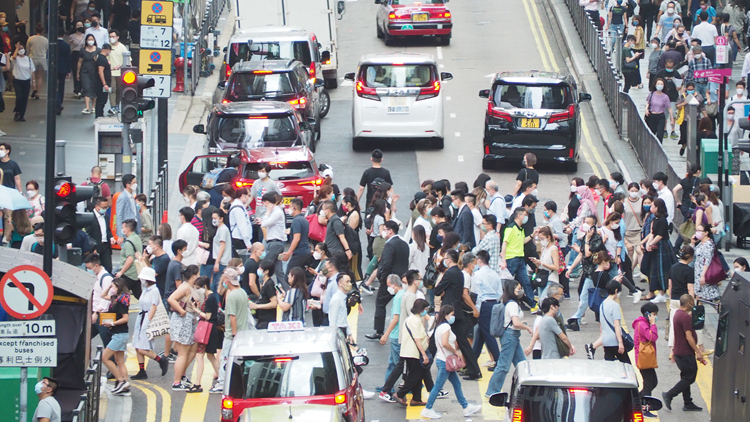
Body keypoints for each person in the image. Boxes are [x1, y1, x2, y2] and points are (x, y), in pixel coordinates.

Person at [421, 304, 483, 419]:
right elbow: (445, 343)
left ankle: (466, 407)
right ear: (446, 315)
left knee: (456, 384)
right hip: (446, 361)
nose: (453, 317)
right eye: (451, 315)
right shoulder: (446, 327)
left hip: (444, 360)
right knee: (438, 386)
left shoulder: (439, 326)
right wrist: (456, 351)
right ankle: (428, 409)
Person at [486, 280, 533, 397]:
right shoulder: (513, 304)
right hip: (510, 336)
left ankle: (527, 390)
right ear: (512, 290)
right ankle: (492, 391)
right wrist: (527, 328)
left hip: (512, 336)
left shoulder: (510, 303)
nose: (521, 291)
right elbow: (515, 323)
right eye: (518, 289)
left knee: (522, 364)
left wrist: (521, 324)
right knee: (503, 366)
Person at [662, 294, 706, 412]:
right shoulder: (685, 317)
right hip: (686, 353)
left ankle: (688, 402)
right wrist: (698, 352)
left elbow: (677, 334)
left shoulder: (677, 314)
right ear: (689, 304)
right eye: (692, 302)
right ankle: (670, 394)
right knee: (690, 377)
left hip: (679, 351)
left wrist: (673, 351)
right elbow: (688, 337)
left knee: (685, 376)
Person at [366, 220, 409, 339]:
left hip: (390, 280)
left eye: (385, 229)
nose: (383, 232)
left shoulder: (390, 245)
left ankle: (379, 331)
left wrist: (383, 278)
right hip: (402, 278)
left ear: (390, 231)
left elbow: (386, 264)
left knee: (380, 303)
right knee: (402, 305)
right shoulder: (404, 243)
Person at [130, 267, 169, 380]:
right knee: (137, 346)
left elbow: (153, 306)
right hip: (141, 317)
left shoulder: (154, 290)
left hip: (146, 318)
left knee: (143, 348)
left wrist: (148, 321)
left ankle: (160, 360)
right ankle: (142, 371)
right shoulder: (145, 289)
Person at [168, 266, 202, 390]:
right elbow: (171, 299)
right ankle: (176, 382)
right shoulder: (185, 287)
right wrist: (181, 311)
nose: (199, 276)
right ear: (193, 276)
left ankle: (181, 374)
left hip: (190, 320)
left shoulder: (191, 287)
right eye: (198, 274)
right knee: (182, 353)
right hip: (183, 320)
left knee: (193, 349)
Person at [392, 299, 431, 406]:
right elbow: (417, 339)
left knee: (417, 375)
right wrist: (424, 354)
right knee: (415, 376)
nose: (426, 311)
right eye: (425, 309)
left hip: (411, 351)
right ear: (421, 309)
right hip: (413, 352)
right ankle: (400, 394)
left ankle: (416, 398)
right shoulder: (415, 320)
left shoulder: (412, 319)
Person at [216, 267, 249, 392]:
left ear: (227, 280)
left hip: (232, 335)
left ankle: (222, 383)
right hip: (243, 332)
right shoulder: (242, 292)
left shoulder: (231, 296)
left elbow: (232, 317)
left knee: (225, 358)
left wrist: (233, 334)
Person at [470, 249, 502, 366]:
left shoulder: (477, 275)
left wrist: (476, 310)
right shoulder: (495, 274)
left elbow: (478, 295)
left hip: (484, 305)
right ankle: (472, 362)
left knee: (487, 334)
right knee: (481, 333)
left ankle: (498, 360)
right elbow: (500, 292)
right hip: (494, 303)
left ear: (479, 260)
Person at [500, 208, 536, 309]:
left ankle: (532, 303)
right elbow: (504, 244)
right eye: (525, 215)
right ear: (519, 216)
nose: (526, 217)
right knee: (508, 283)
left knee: (526, 282)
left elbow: (522, 241)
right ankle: (505, 302)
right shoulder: (511, 228)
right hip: (511, 259)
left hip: (520, 258)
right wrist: (503, 260)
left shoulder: (520, 229)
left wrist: (532, 236)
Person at [194, 274, 223, 393]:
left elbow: (208, 316)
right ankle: (222, 378)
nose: (197, 290)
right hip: (210, 329)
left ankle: (198, 383)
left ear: (204, 287)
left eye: (198, 288)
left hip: (208, 329)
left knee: (203, 355)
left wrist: (196, 310)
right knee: (210, 355)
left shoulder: (210, 298)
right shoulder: (209, 297)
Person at [102, 278, 131, 395]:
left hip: (120, 334)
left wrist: (112, 323)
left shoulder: (122, 301)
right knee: (119, 361)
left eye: (113, 286)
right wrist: (109, 287)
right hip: (118, 334)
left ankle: (121, 381)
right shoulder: (115, 298)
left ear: (118, 287)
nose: (112, 289)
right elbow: (102, 295)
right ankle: (125, 386)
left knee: (105, 358)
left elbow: (125, 318)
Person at [644, 198, 677, 303]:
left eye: (653, 206)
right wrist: (648, 243)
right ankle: (660, 292)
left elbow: (660, 235)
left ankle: (662, 293)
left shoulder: (662, 220)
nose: (651, 207)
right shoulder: (655, 219)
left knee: (662, 269)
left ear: (658, 208)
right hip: (656, 246)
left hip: (663, 246)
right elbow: (652, 233)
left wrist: (651, 243)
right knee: (654, 269)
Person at [634, 302, 660, 416]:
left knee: (653, 382)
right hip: (644, 358)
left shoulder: (643, 323)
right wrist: (653, 324)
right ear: (647, 314)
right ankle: (644, 408)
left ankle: (636, 400)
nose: (655, 317)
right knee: (649, 384)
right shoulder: (642, 325)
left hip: (646, 358)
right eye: (653, 314)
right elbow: (653, 337)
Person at [258, 192, 288, 287]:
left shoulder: (277, 212)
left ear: (267, 202)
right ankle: (286, 289)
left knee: (264, 267)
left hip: (275, 243)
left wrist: (267, 213)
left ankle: (261, 288)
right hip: (275, 243)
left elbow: (265, 224)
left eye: (264, 203)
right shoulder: (275, 211)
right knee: (279, 271)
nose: (264, 205)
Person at [85, 253, 114, 348]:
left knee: (108, 343)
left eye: (89, 268)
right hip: (94, 314)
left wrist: (97, 313)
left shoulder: (106, 278)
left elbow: (106, 299)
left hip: (104, 315)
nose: (88, 270)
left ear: (96, 266)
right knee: (83, 340)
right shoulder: (95, 277)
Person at [379, 274, 404, 385]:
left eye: (389, 286)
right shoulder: (403, 294)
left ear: (395, 285)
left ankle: (388, 387)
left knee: (397, 364)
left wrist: (386, 335)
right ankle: (387, 385)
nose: (388, 288)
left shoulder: (398, 297)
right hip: (399, 334)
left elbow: (395, 319)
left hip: (396, 335)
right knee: (393, 363)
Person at [279, 198, 311, 276]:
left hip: (299, 252)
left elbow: (296, 238)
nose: (289, 209)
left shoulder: (296, 221)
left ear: (294, 208)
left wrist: (289, 253)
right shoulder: (304, 220)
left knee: (290, 275)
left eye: (290, 207)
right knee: (299, 276)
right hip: (305, 251)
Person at [249, 163, 280, 242]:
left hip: (267, 215)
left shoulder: (272, 184)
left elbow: (279, 198)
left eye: (263, 171)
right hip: (258, 214)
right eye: (259, 171)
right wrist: (244, 205)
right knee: (260, 237)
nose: (260, 173)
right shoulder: (256, 183)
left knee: (264, 237)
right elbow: (251, 196)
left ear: (268, 172)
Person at [115, 218, 142, 297]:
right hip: (136, 273)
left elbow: (130, 259)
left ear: (127, 229)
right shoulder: (137, 238)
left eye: (123, 228)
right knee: (138, 295)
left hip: (128, 274)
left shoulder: (128, 242)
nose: (122, 230)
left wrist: (121, 272)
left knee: (120, 295)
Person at [86, 197, 114, 271]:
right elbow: (87, 234)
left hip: (106, 246)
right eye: (103, 207)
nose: (105, 209)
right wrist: (92, 247)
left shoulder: (106, 217)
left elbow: (107, 230)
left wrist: (111, 237)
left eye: (106, 207)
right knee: (95, 268)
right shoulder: (90, 217)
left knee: (108, 267)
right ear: (96, 206)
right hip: (96, 246)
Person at [249, 260, 278, 329]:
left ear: (266, 271)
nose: (258, 270)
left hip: (267, 320)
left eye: (260, 268)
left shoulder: (269, 284)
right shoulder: (264, 283)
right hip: (262, 318)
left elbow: (274, 303)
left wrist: (257, 306)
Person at [11, 41, 34, 122]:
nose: (21, 50)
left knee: (24, 99)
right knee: (19, 97)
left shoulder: (29, 59)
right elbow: (13, 57)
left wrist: (33, 81)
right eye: (19, 49)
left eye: (22, 48)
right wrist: (17, 48)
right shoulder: (16, 59)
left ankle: (21, 115)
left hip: (26, 80)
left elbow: (32, 70)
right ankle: (17, 111)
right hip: (18, 80)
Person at [78, 33, 99, 114]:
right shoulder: (82, 50)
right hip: (85, 71)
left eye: (92, 39)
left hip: (95, 72)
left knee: (94, 88)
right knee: (86, 88)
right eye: (89, 39)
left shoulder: (98, 50)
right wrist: (78, 72)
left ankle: (93, 107)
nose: (90, 41)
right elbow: (80, 61)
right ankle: (87, 107)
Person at [228, 188, 253, 255]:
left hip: (240, 238)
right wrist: (248, 243)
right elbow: (242, 226)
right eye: (248, 195)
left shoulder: (238, 205)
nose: (249, 198)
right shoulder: (238, 208)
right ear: (243, 195)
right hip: (240, 239)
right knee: (243, 258)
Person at [115, 174, 140, 238]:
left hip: (134, 229)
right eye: (134, 183)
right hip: (126, 232)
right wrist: (120, 235)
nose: (135, 184)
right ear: (128, 185)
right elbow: (119, 216)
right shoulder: (122, 197)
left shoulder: (131, 196)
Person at [26, 24, 47, 101]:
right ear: (42, 31)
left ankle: (34, 88)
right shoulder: (45, 40)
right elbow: (47, 49)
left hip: (32, 58)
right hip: (42, 59)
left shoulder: (30, 39)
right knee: (39, 76)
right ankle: (38, 93)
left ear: (35, 30)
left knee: (33, 75)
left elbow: (27, 49)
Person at [55, 28, 72, 115]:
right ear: (64, 35)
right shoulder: (67, 46)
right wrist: (69, 70)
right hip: (63, 68)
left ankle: (57, 102)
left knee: (54, 86)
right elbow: (68, 58)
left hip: (54, 68)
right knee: (61, 86)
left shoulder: (53, 45)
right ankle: (60, 102)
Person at [93, 42, 111, 118]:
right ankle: (99, 115)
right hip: (101, 84)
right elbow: (100, 71)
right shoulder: (102, 59)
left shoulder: (102, 59)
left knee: (103, 100)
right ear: (107, 50)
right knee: (101, 100)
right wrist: (104, 84)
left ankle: (100, 114)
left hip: (103, 83)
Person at [69, 20, 86, 98]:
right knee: (75, 72)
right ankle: (77, 89)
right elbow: (69, 46)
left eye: (81, 25)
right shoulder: (71, 36)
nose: (79, 27)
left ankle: (82, 89)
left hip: (82, 54)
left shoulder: (85, 36)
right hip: (74, 54)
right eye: (78, 25)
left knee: (82, 72)